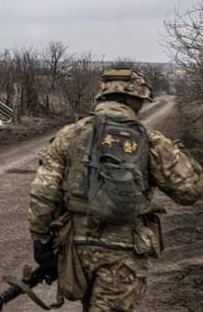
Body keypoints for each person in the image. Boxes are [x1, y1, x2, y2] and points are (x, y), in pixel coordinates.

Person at [29, 68, 203, 311]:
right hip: (125, 251)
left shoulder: (68, 135)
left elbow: (43, 192)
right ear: (136, 102)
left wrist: (40, 239)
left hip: (77, 247)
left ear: (102, 98)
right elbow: (191, 191)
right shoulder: (150, 139)